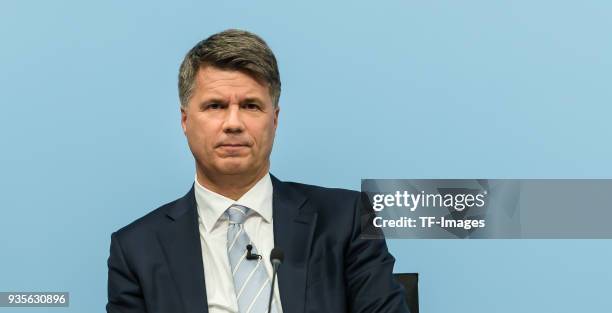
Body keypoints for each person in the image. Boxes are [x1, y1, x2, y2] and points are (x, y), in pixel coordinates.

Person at [106, 29, 409, 313]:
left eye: (251, 106)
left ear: (274, 120)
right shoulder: (136, 249)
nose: (233, 123)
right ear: (185, 121)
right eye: (215, 106)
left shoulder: (346, 219)